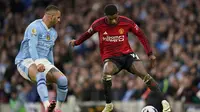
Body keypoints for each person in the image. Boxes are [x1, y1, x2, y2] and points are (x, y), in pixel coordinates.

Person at [70, 4, 171, 112]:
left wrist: (150, 53)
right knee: (106, 71)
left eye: (115, 18)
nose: (113, 21)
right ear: (105, 16)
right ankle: (109, 105)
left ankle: (164, 102)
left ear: (118, 14)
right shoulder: (98, 24)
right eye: (110, 19)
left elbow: (141, 35)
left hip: (127, 56)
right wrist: (76, 42)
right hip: (112, 58)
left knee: (144, 74)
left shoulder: (126, 22)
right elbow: (87, 34)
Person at [15, 5, 68, 112]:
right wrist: (38, 63)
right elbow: (32, 47)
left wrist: (52, 67)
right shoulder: (34, 27)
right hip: (26, 60)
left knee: (63, 80)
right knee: (40, 75)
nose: (59, 20)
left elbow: (49, 52)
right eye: (57, 17)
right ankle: (47, 105)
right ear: (50, 16)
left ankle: (57, 108)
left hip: (43, 62)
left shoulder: (53, 33)